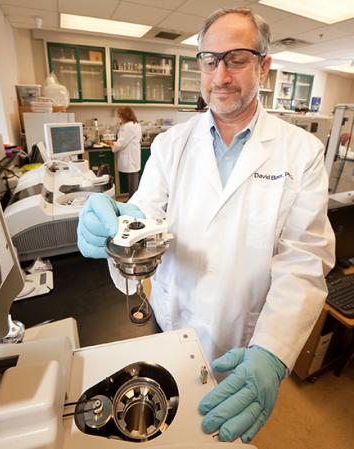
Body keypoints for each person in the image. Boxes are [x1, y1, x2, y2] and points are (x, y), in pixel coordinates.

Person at [77, 8, 335, 444]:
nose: (221, 75)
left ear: (263, 66)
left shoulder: (301, 152)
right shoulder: (170, 144)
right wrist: (116, 231)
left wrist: (273, 353)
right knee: (170, 428)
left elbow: (303, 261)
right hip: (170, 320)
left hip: (245, 339)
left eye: (236, 59)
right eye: (210, 60)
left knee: (227, 431)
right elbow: (144, 219)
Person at [107, 106, 142, 197]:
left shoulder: (129, 126)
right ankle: (132, 199)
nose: (119, 118)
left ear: (124, 115)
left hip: (130, 157)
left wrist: (112, 145)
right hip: (132, 156)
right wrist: (114, 143)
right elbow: (124, 140)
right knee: (133, 180)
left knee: (132, 182)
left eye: (120, 115)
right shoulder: (134, 124)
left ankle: (133, 202)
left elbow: (121, 143)